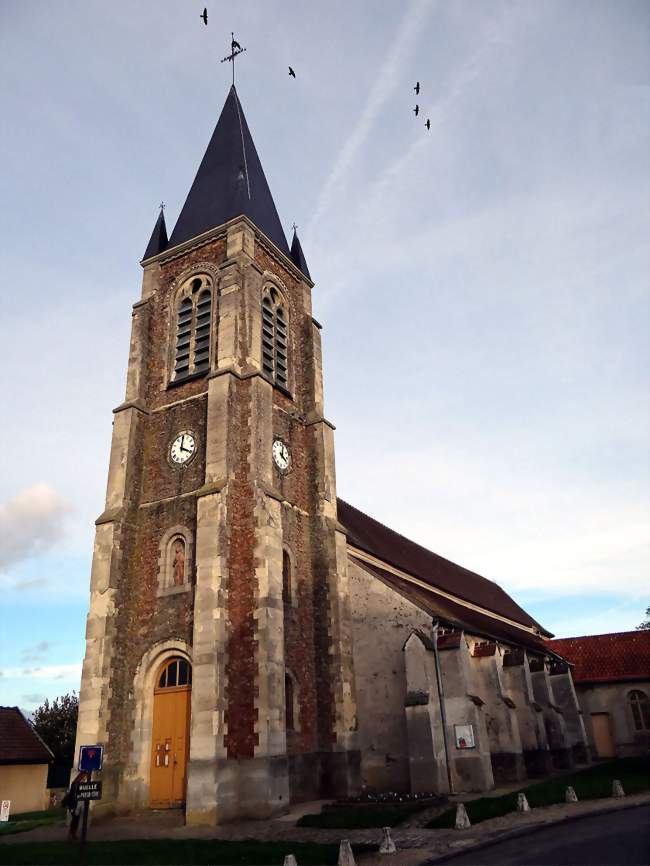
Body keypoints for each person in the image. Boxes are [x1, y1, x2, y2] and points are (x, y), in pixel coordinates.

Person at [62, 772, 87, 840]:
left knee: (76, 820)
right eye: (83, 777)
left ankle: (73, 834)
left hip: (77, 805)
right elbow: (73, 796)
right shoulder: (75, 784)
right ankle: (71, 835)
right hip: (73, 805)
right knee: (75, 820)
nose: (84, 779)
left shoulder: (79, 785)